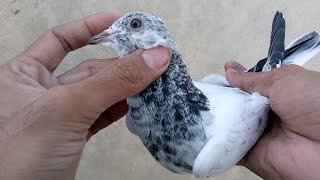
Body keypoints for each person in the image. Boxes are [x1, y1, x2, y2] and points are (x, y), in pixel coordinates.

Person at [0, 10, 319, 180]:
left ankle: (278, 63)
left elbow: (256, 99)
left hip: (247, 104)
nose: (111, 35)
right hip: (228, 95)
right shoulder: (137, 116)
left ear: (159, 43)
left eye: (134, 25)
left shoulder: (212, 151)